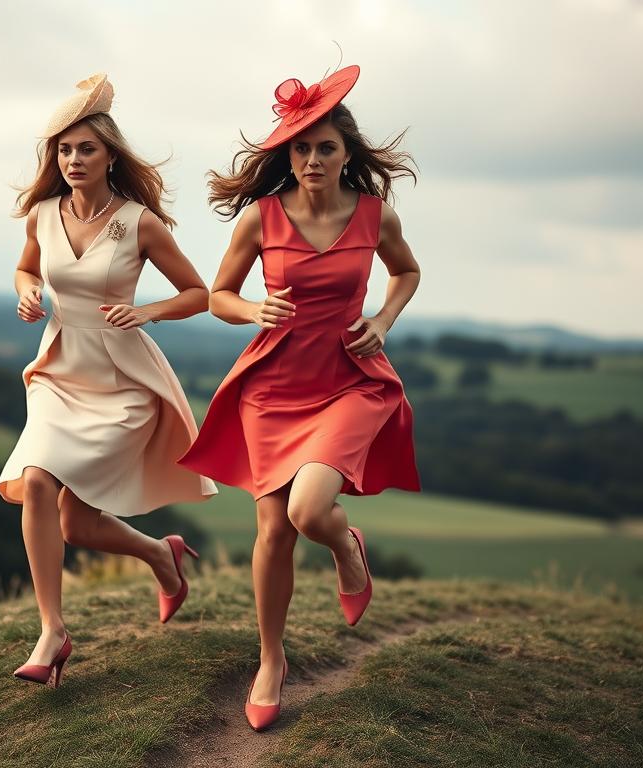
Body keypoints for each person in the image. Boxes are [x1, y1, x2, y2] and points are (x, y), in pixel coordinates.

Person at [177, 64, 422, 730]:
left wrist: (384, 320)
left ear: (348, 155)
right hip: (273, 388)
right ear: (288, 155)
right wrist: (249, 307)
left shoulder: (374, 216)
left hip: (346, 381)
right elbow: (217, 296)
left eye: (325, 148)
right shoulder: (261, 219)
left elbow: (407, 274)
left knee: (312, 512)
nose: (312, 160)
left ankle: (346, 547)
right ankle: (271, 659)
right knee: (273, 529)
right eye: (300, 148)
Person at [0, 73, 218, 688]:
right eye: (64, 150)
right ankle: (52, 630)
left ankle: (158, 553)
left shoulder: (138, 222)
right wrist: (29, 291)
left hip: (122, 379)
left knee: (79, 525)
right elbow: (22, 269)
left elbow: (198, 294)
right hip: (59, 369)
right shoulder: (42, 215)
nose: (73, 160)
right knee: (37, 481)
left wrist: (146, 311)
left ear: (109, 155)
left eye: (86, 149)